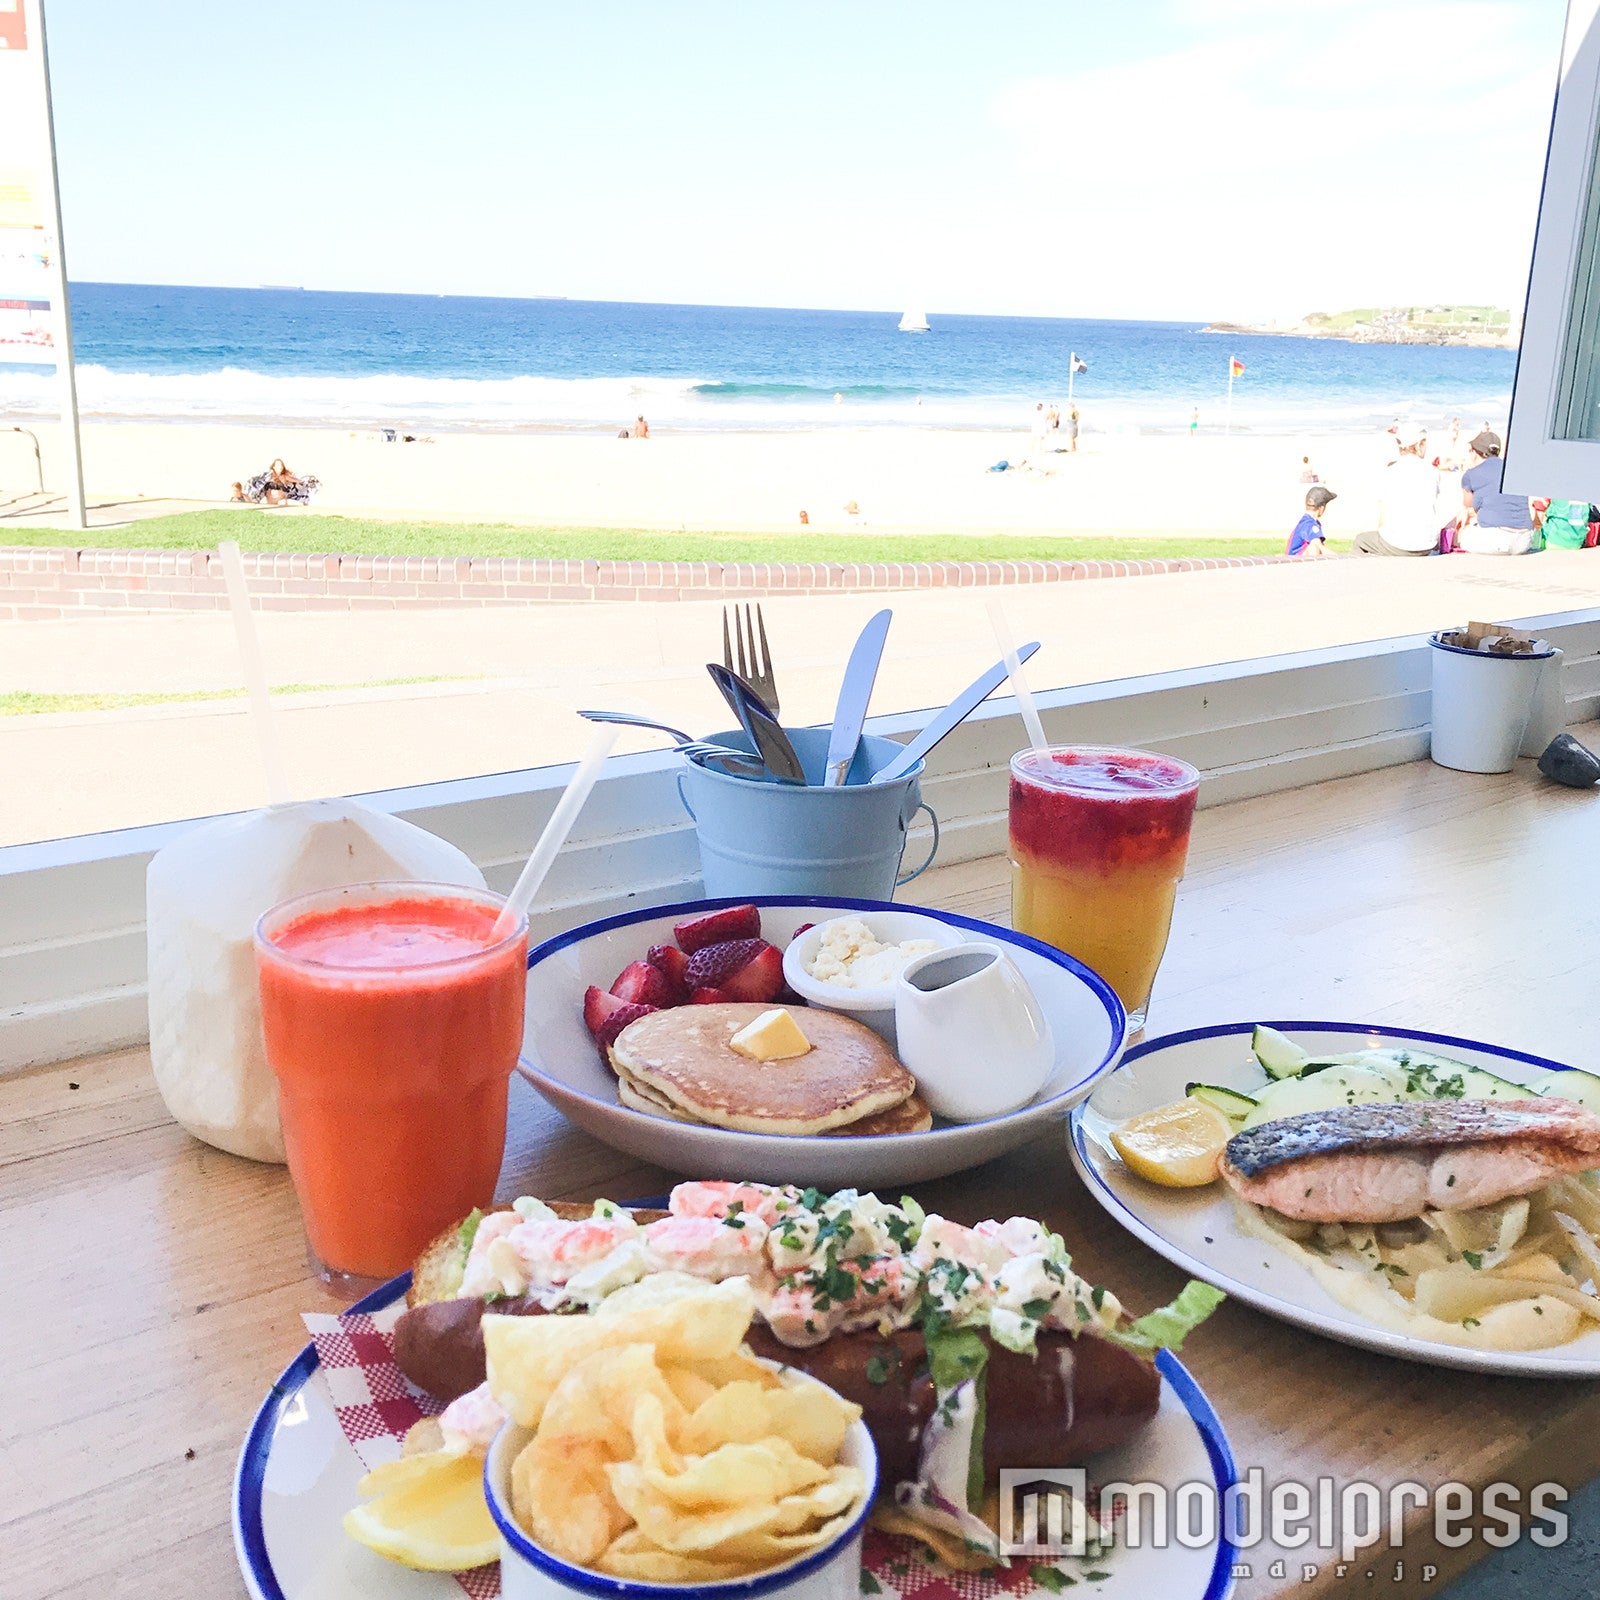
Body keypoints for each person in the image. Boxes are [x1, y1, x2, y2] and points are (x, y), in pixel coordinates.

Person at [1353, 423, 1441, 556]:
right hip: (1427, 543)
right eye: (1424, 443)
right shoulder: (1433, 472)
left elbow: (1382, 513)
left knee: (1361, 540)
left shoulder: (1390, 471)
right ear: (1417, 445)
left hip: (1398, 544)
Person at [1455, 430, 1537, 554]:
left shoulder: (1471, 474)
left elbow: (1468, 505)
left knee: (1463, 534)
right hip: (1524, 540)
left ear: (1475, 452)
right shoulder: (1515, 469)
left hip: (1497, 540)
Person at [1286, 486, 1336, 557]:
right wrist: (1341, 558)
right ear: (1321, 508)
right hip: (1295, 562)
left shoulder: (1306, 521)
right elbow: (1319, 546)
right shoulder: (1309, 524)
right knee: (1314, 547)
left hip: (1297, 559)